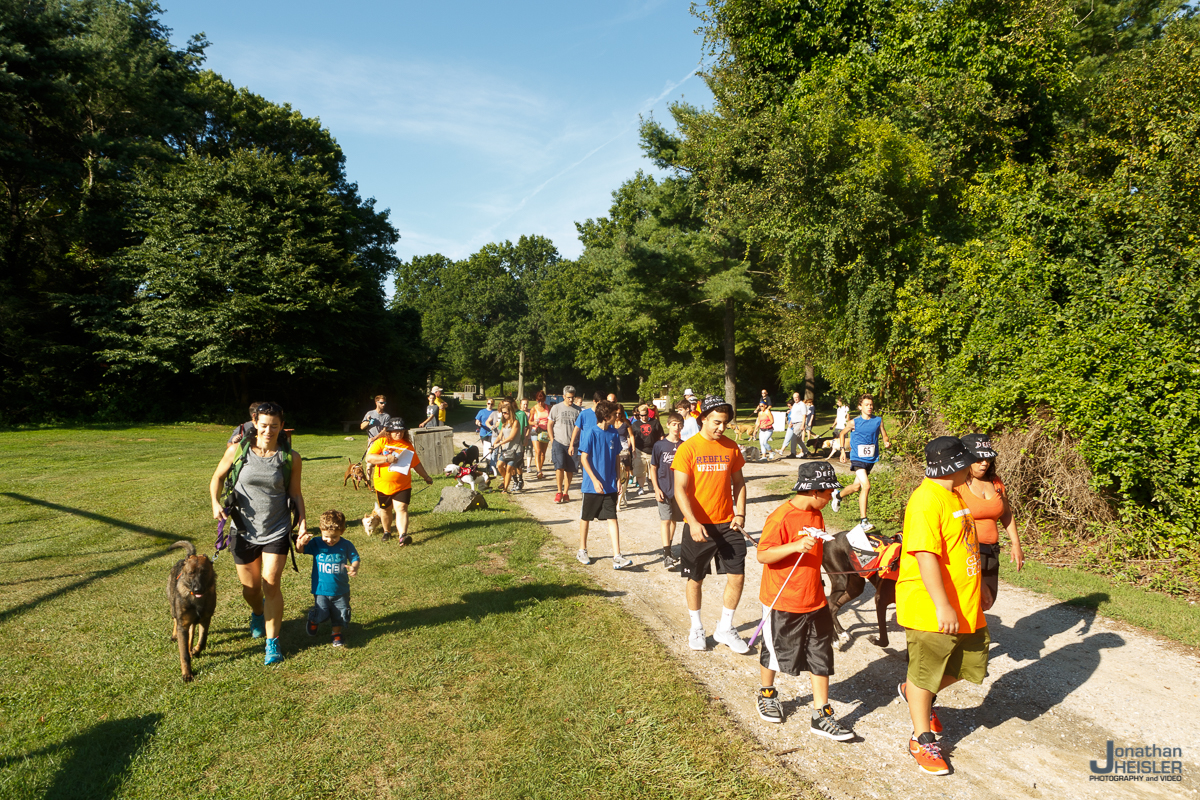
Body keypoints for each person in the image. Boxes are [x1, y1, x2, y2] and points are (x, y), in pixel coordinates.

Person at [896, 437, 988, 776]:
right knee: (925, 673)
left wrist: (980, 590)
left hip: (967, 604)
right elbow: (925, 555)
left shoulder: (953, 494)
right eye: (968, 461)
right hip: (932, 608)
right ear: (953, 466)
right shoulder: (925, 501)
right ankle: (921, 738)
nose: (974, 466)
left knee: (971, 666)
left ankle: (913, 690)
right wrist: (942, 605)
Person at [754, 462, 853, 740]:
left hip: (814, 598)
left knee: (821, 654)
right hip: (782, 599)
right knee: (775, 651)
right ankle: (767, 693)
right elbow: (763, 554)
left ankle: (821, 713)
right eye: (830, 491)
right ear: (814, 491)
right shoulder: (781, 517)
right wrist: (795, 546)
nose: (832, 495)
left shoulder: (816, 515)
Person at [209, 401, 306, 666]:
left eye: (274, 426)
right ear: (255, 423)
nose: (268, 430)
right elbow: (217, 478)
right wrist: (216, 502)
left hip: (277, 528)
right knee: (251, 589)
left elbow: (295, 492)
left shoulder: (290, 458)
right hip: (242, 530)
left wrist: (303, 522)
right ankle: (257, 611)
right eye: (263, 425)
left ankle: (272, 644)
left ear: (281, 426)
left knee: (271, 582)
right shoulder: (237, 451)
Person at [673, 395, 751, 654]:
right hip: (699, 525)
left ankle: (725, 628)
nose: (721, 428)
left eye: (725, 423)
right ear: (703, 418)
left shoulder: (731, 447)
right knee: (696, 578)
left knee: (737, 576)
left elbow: (739, 483)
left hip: (728, 524)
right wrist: (693, 522)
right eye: (716, 422)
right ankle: (696, 627)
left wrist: (740, 515)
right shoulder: (688, 448)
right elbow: (680, 489)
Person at [955, 433, 1023, 607]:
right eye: (978, 458)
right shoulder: (956, 484)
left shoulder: (996, 483)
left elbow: (1006, 513)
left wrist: (1016, 544)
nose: (984, 462)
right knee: (967, 601)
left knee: (987, 601)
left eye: (988, 458)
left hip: (991, 551)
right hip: (965, 552)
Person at [576, 400, 633, 569]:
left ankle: (617, 556)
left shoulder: (614, 434)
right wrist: (594, 480)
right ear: (606, 416)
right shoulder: (591, 433)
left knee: (613, 517)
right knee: (586, 517)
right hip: (591, 485)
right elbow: (583, 458)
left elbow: (616, 457)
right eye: (615, 414)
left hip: (610, 485)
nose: (617, 416)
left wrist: (617, 478)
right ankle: (582, 550)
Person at [364, 418, 434, 544]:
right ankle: (387, 531)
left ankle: (403, 536)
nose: (399, 433)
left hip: (403, 484)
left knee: (401, 508)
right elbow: (369, 458)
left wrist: (426, 477)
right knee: (385, 510)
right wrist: (386, 458)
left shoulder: (407, 445)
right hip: (382, 485)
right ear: (389, 431)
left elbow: (416, 464)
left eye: (401, 431)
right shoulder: (381, 442)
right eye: (395, 431)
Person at [296, 510, 360, 648]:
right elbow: (300, 550)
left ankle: (336, 633)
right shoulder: (317, 543)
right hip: (321, 589)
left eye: (334, 537)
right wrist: (301, 542)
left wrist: (354, 567)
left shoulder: (346, 545)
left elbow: (355, 558)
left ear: (342, 531)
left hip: (341, 589)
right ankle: (314, 619)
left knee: (340, 613)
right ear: (321, 530)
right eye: (326, 536)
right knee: (322, 612)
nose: (330, 540)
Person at [836, 394, 892, 532]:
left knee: (856, 487)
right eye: (866, 405)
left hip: (870, 459)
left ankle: (838, 495)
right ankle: (863, 521)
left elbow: (883, 433)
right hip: (857, 457)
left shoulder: (878, 420)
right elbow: (842, 434)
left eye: (871, 405)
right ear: (860, 407)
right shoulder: (854, 422)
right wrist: (843, 451)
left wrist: (886, 441)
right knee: (866, 486)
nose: (870, 407)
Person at [650, 411, 686, 570]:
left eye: (679, 425)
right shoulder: (659, 445)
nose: (676, 427)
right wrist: (656, 488)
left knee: (673, 521)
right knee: (665, 520)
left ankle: (669, 549)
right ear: (668, 425)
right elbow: (653, 468)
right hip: (663, 489)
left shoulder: (685, 446)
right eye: (674, 424)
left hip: (679, 491)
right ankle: (666, 555)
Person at [549, 385, 581, 504]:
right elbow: (550, 424)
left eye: (572, 397)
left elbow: (580, 428)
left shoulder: (578, 410)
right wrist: (552, 440)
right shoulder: (556, 408)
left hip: (573, 443)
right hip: (559, 442)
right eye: (568, 397)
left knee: (570, 469)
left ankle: (566, 492)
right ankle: (559, 491)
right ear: (563, 396)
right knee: (559, 466)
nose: (571, 400)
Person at [629, 403, 663, 495]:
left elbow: (661, 435)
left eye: (645, 415)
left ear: (648, 414)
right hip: (640, 450)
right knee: (640, 471)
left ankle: (652, 484)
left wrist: (661, 447)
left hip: (653, 450)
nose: (643, 417)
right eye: (641, 415)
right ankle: (641, 487)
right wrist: (633, 450)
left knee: (652, 470)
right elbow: (631, 437)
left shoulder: (655, 422)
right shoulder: (635, 424)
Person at [494, 400, 524, 493]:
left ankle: (505, 489)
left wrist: (500, 443)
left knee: (509, 468)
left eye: (505, 413)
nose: (504, 415)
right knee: (499, 465)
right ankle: (507, 480)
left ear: (510, 412)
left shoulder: (515, 423)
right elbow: (500, 436)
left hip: (515, 450)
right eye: (502, 413)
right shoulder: (504, 423)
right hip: (507, 450)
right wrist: (494, 444)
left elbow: (511, 437)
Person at [529, 391, 552, 479]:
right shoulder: (533, 409)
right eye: (539, 401)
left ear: (545, 400)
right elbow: (529, 421)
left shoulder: (548, 408)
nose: (540, 403)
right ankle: (538, 471)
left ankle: (540, 469)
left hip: (545, 432)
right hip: (536, 431)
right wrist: (534, 422)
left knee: (543, 453)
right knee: (538, 451)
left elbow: (551, 419)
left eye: (542, 401)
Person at [781, 392, 809, 458]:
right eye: (794, 398)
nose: (795, 399)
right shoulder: (795, 405)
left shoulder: (802, 404)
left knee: (793, 438)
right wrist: (790, 422)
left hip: (799, 423)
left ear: (799, 397)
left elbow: (804, 415)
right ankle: (806, 451)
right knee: (798, 439)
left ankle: (793, 453)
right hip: (794, 423)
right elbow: (793, 415)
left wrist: (803, 425)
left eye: (796, 398)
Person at [827, 397, 851, 461]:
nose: (837, 403)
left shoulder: (846, 408)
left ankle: (846, 454)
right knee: (835, 440)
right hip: (838, 426)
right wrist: (833, 425)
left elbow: (848, 417)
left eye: (838, 402)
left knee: (844, 441)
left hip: (844, 426)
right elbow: (837, 418)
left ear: (841, 401)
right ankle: (833, 453)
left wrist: (848, 425)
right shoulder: (838, 409)